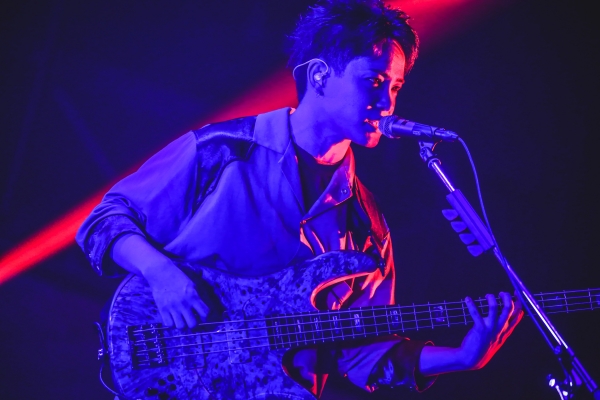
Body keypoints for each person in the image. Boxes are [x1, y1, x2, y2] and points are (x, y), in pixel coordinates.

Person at [76, 0, 523, 398]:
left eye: (395, 86)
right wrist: (160, 273)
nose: (387, 102)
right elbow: (105, 220)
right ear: (320, 75)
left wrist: (460, 358)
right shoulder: (223, 151)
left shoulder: (368, 227)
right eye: (374, 81)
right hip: (172, 377)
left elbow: (361, 355)